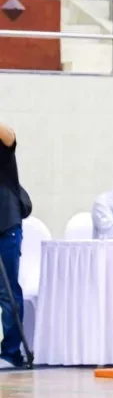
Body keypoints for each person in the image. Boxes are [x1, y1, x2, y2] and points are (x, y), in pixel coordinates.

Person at [0, 121, 30, 369]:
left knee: (7, 290)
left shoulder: (4, 147)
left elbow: (10, 135)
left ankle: (11, 353)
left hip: (5, 226)